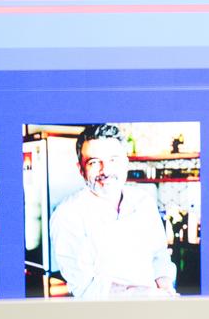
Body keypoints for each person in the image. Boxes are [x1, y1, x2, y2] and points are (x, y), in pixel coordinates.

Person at [49, 123, 177, 299]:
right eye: (94, 162)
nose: (106, 170)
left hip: (151, 308)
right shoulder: (67, 215)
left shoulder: (143, 201)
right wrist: (145, 294)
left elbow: (159, 256)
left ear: (125, 163)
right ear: (81, 169)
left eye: (113, 160)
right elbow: (85, 287)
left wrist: (165, 287)